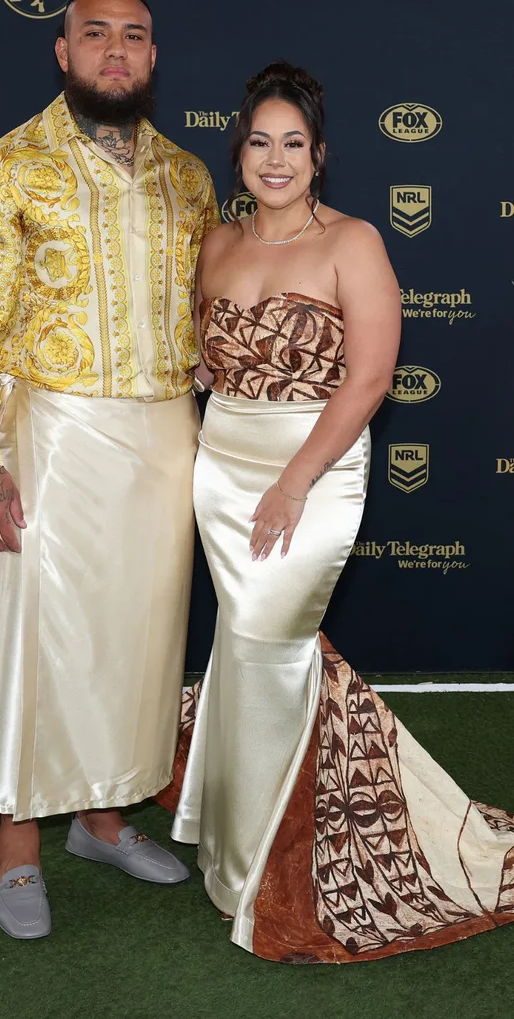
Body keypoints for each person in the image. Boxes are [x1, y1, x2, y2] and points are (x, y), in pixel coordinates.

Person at [158, 60, 514, 963]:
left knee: (271, 649)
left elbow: (369, 380)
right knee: (242, 649)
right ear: (237, 153)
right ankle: (232, 839)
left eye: (294, 144)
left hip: (310, 473)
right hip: (220, 464)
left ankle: (268, 873)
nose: (275, 160)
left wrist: (293, 482)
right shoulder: (216, 241)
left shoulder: (353, 241)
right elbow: (205, 355)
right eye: (259, 142)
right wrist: (209, 375)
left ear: (320, 156)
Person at [0, 0, 219, 939]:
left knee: (138, 640)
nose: (115, 51)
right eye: (94, 34)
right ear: (62, 53)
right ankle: (19, 844)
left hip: (164, 437)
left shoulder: (189, 176)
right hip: (51, 433)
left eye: (134, 36)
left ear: (152, 57)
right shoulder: (5, 167)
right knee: (36, 641)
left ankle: (103, 818)